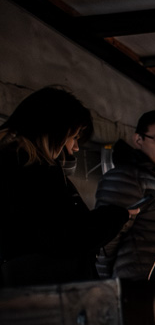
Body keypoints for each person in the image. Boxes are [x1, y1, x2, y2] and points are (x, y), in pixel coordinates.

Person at [0, 87, 133, 287]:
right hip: (44, 294)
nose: (76, 147)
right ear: (57, 131)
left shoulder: (14, 164)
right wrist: (117, 215)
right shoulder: (33, 171)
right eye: (75, 137)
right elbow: (69, 235)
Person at [95, 109, 155, 281]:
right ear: (138, 140)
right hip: (143, 294)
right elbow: (105, 238)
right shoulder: (129, 178)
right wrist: (106, 288)